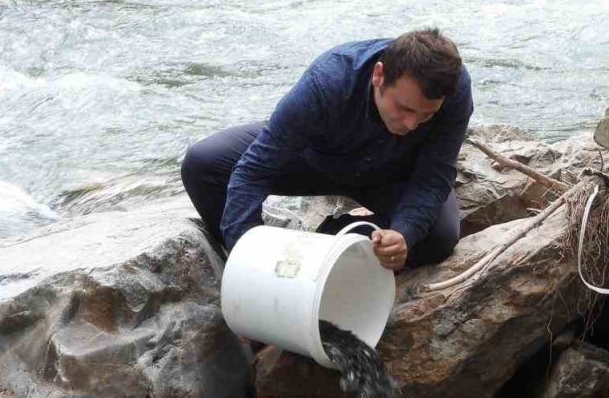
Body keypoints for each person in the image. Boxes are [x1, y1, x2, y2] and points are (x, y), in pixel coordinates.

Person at [181, 29, 472, 271]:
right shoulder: (330, 80)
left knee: (439, 237)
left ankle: (334, 238)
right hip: (315, 160)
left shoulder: (454, 89)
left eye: (425, 116)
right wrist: (252, 259)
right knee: (202, 163)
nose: (411, 123)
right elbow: (255, 170)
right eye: (404, 108)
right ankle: (254, 252)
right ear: (379, 76)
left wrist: (402, 233)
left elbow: (433, 177)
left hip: (394, 175)